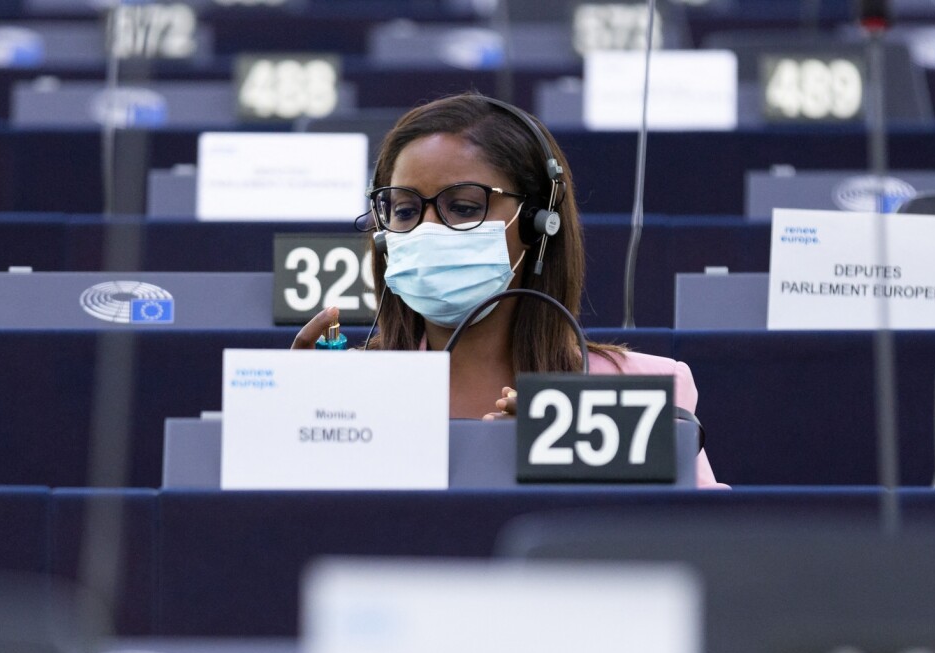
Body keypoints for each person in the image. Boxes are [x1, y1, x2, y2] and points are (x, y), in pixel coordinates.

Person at [293, 93, 725, 488]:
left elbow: (696, 546)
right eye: (404, 210)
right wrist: (292, 422)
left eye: (463, 208)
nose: (426, 229)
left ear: (538, 223)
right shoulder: (349, 390)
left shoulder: (645, 390)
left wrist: (563, 473)